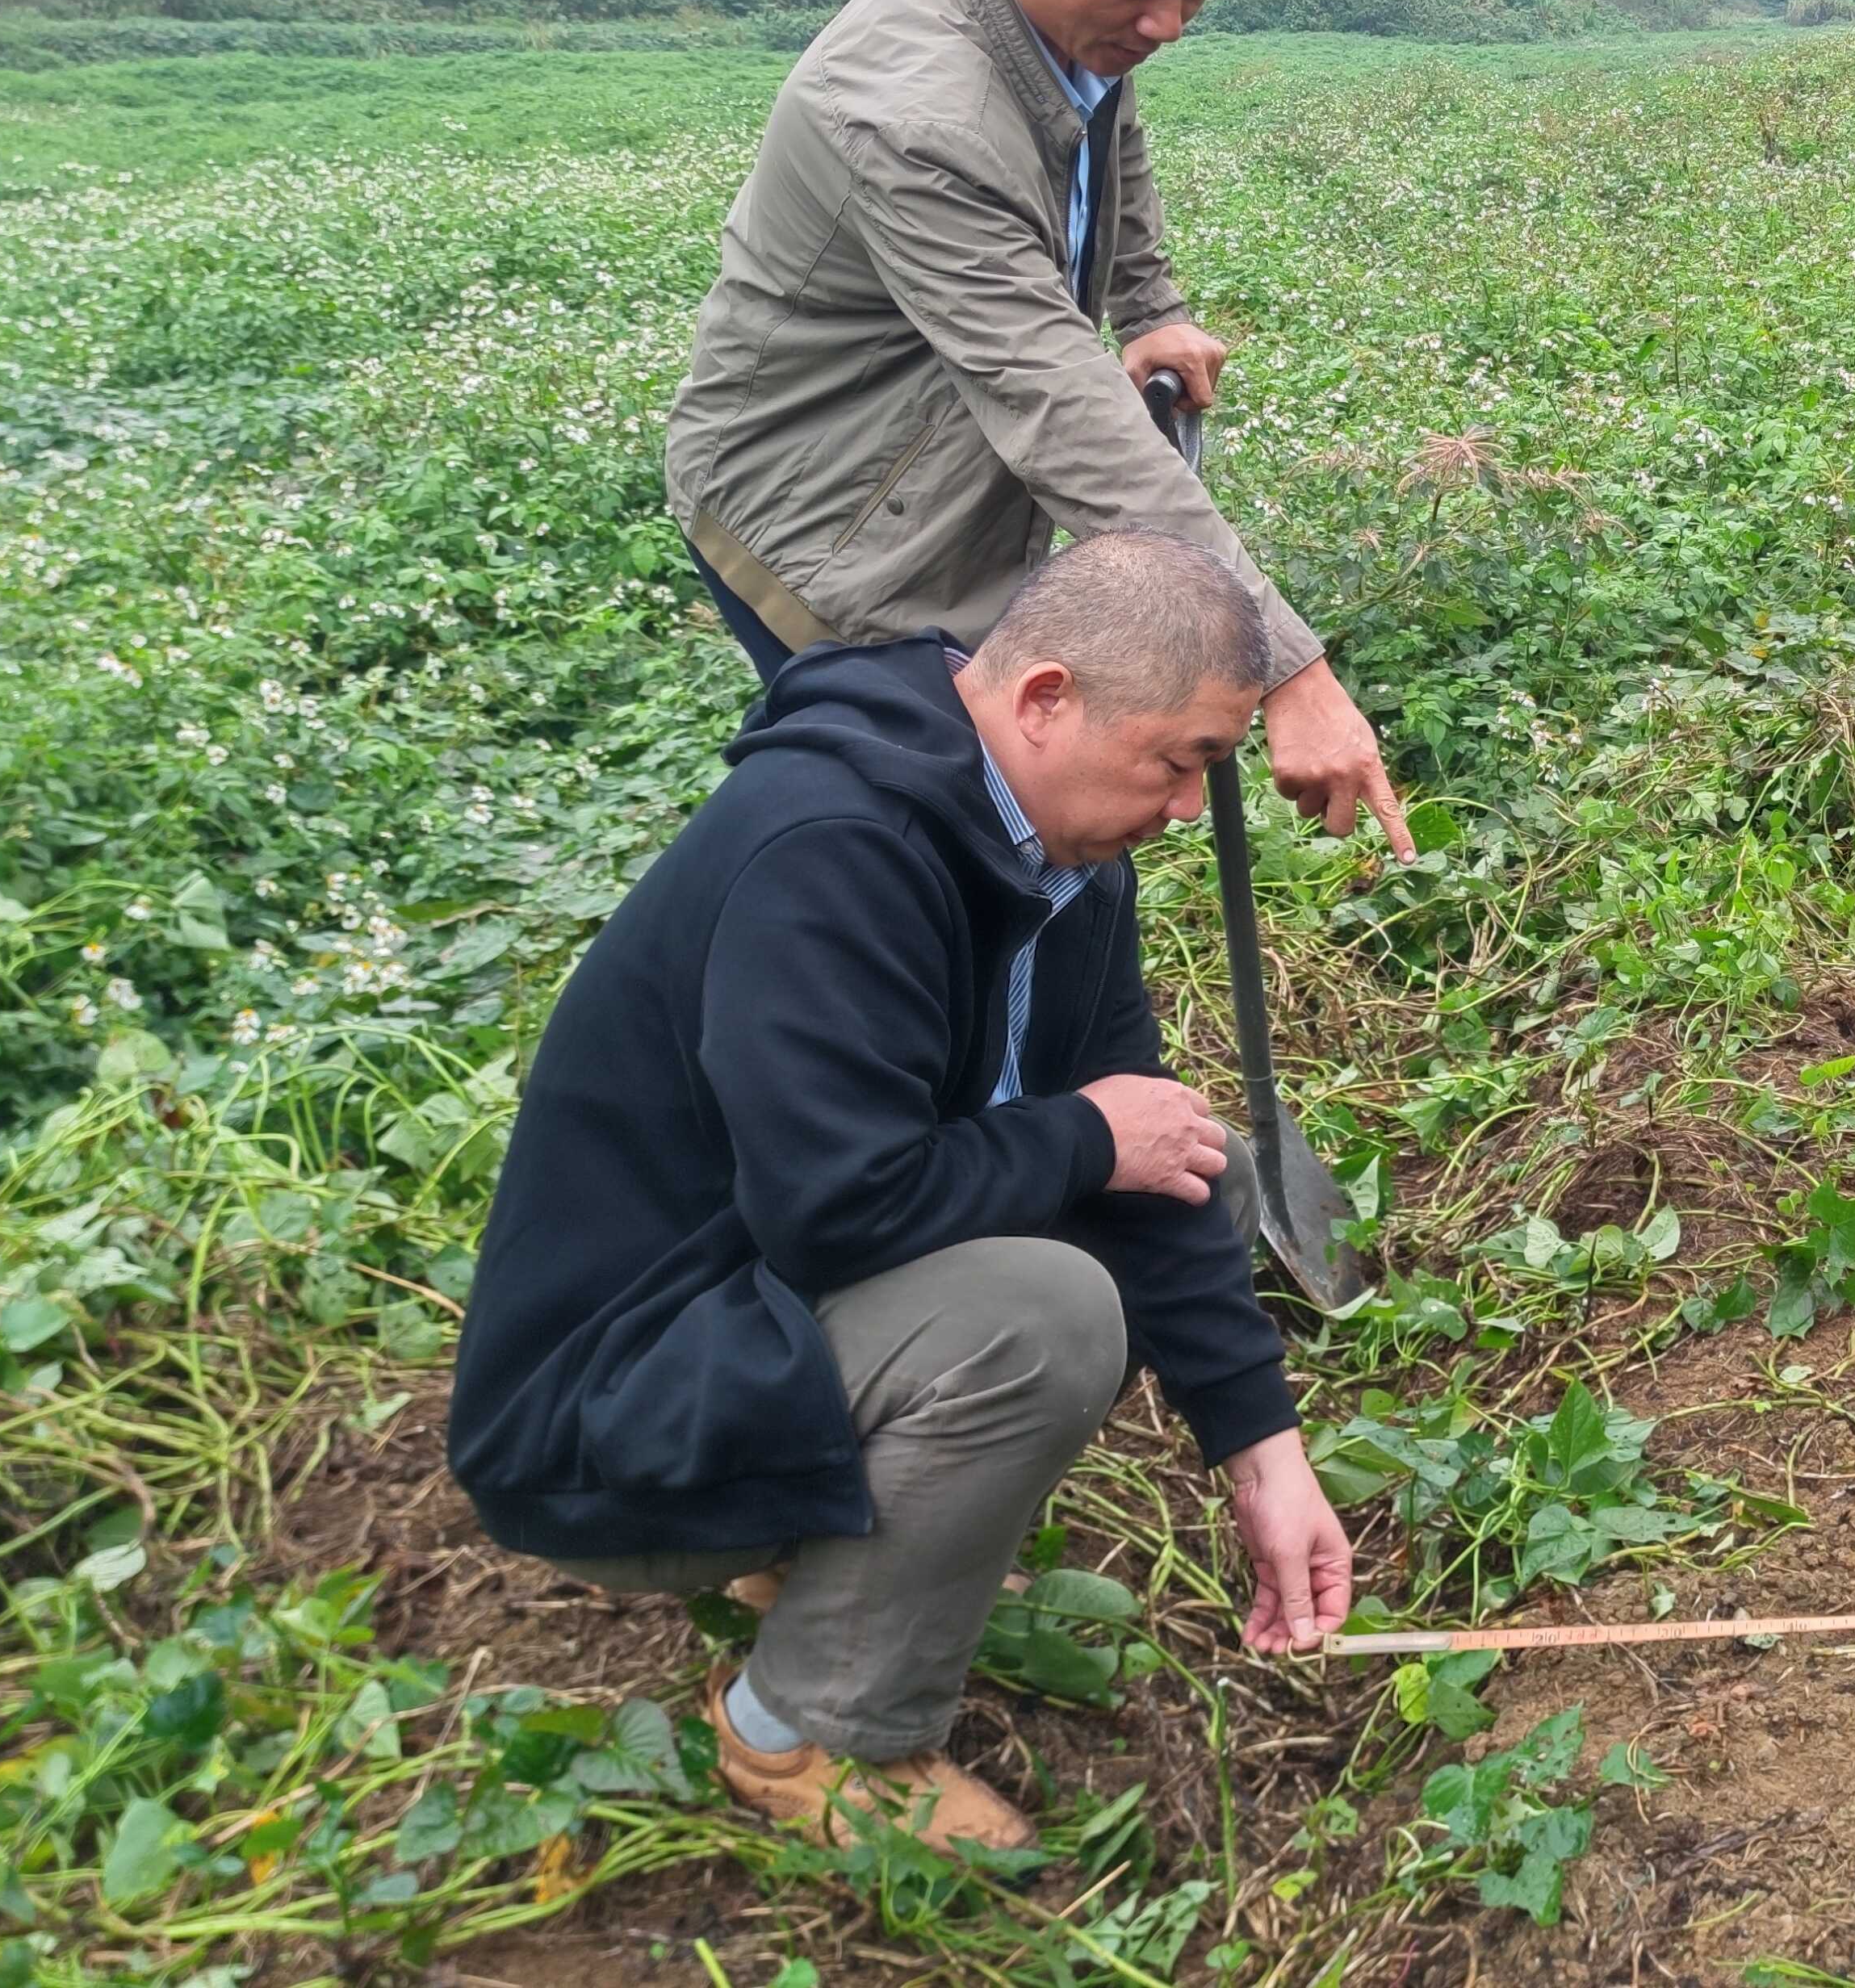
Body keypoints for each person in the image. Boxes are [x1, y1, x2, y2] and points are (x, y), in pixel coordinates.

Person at [446, 532, 1356, 1851]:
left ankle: (816, 1540)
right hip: (601, 1416)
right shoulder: (827, 850)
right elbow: (834, 1208)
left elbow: (1141, 1146)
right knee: (1042, 1309)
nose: (1179, 810)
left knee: (1177, 1172)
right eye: (1179, 763)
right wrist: (1085, 1143)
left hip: (745, 1320)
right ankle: (805, 1732)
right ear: (1045, 698)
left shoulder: (1061, 858)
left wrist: (1263, 1453)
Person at [664, 0, 1409, 855]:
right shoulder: (913, 117)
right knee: (925, 832)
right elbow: (1056, 402)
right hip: (826, 525)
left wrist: (1148, 299)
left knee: (1025, 824)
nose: (1166, 25)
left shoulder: (1061, 4)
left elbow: (1104, 118)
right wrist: (1286, 665)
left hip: (932, 464)